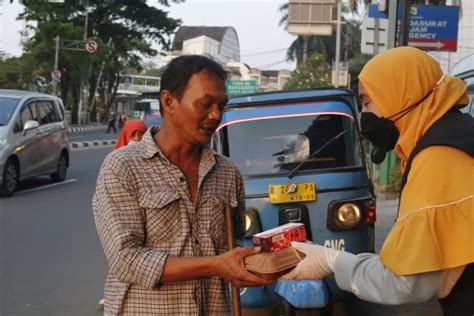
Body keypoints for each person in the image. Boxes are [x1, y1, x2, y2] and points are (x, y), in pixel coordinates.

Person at [281, 47, 474, 315]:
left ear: (401, 95)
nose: (364, 116)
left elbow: (407, 282)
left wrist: (331, 261)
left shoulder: (439, 158)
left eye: (367, 102)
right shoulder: (459, 135)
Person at [93, 55, 272, 315]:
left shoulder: (227, 173)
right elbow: (126, 261)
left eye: (221, 105)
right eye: (205, 104)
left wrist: (266, 259)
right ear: (169, 102)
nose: (216, 115)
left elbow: (230, 249)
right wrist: (216, 265)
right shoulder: (122, 167)